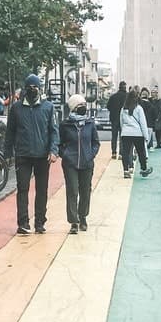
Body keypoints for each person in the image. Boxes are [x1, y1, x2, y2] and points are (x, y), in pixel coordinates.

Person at [4, 73, 58, 234]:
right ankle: (23, 223)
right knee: (22, 189)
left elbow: (53, 131)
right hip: (23, 155)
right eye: (29, 87)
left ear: (40, 89)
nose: (32, 89)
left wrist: (53, 150)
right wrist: (7, 153)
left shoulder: (48, 107)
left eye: (35, 87)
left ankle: (40, 222)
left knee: (42, 190)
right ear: (25, 89)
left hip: (43, 156)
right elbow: (10, 132)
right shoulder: (16, 108)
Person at [59, 93, 100, 233]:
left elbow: (95, 143)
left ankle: (83, 217)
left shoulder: (90, 124)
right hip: (70, 164)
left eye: (84, 105)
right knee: (72, 191)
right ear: (73, 107)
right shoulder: (65, 125)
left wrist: (91, 154)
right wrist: (65, 155)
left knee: (85, 191)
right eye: (80, 105)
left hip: (87, 163)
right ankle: (73, 222)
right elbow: (59, 143)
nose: (83, 107)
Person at [119, 89, 153, 178]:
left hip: (126, 133)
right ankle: (143, 169)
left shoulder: (123, 109)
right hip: (137, 133)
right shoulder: (138, 108)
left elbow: (121, 122)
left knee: (126, 153)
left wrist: (124, 130)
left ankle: (126, 170)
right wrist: (146, 136)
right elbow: (143, 123)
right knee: (141, 152)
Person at [107, 81, 127, 160]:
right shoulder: (127, 96)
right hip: (124, 119)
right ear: (125, 87)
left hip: (114, 119)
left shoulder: (113, 97)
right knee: (122, 137)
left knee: (114, 136)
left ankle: (114, 153)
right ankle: (121, 154)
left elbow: (108, 106)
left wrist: (113, 111)